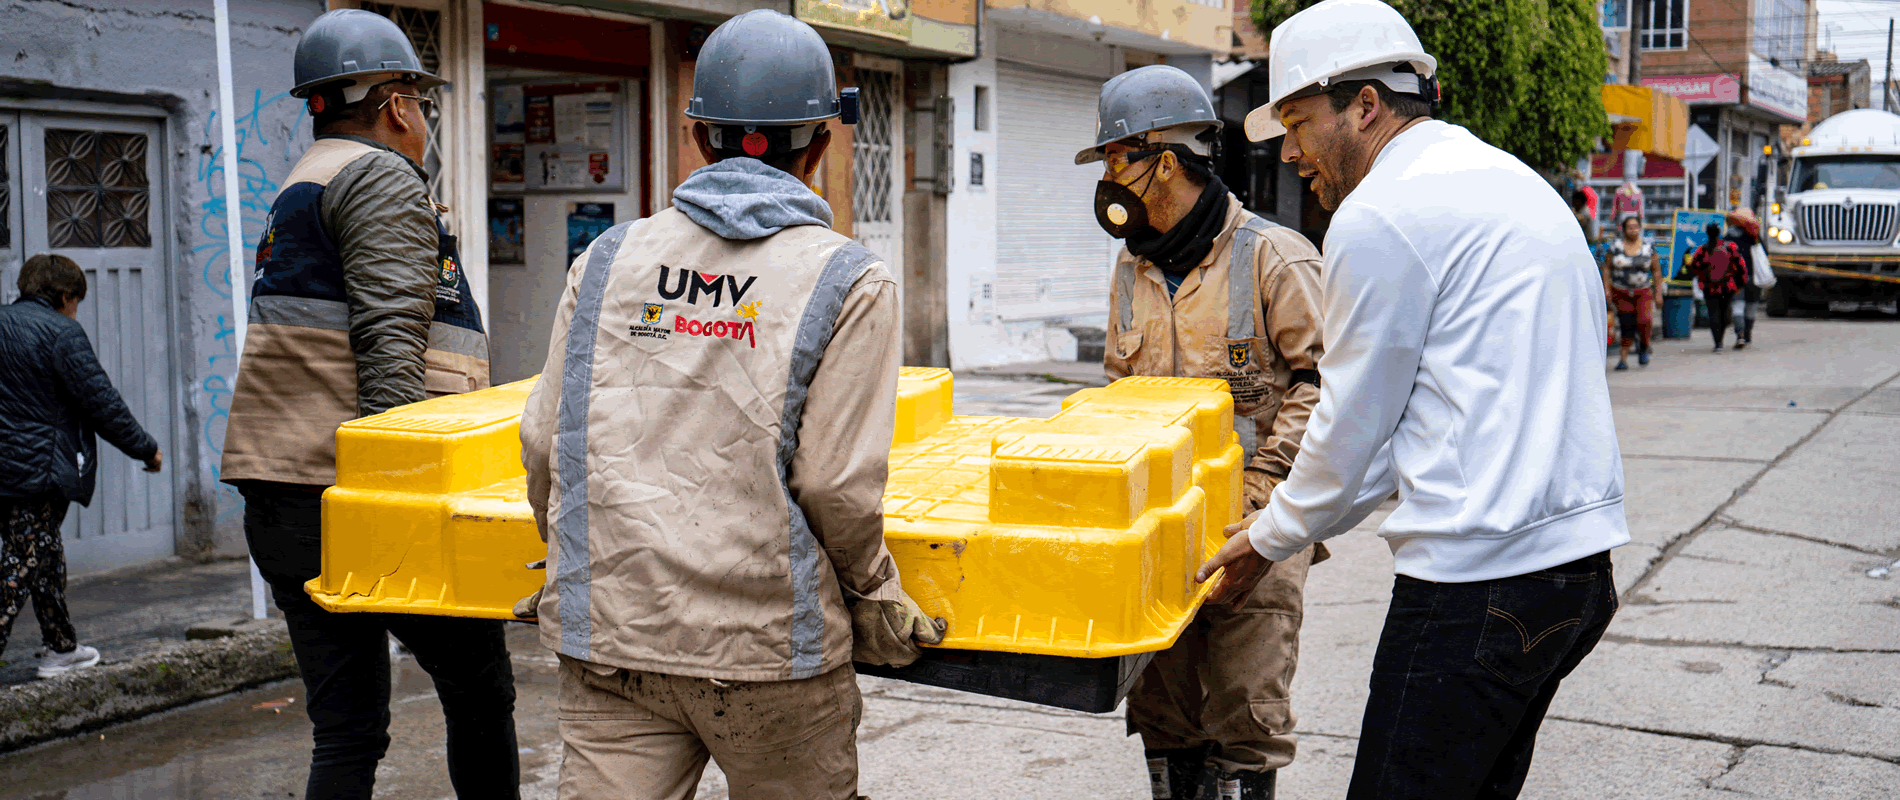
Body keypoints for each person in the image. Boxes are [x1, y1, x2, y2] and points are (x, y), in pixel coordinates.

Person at [1199, 1, 1630, 797]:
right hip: (1574, 576)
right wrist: (1295, 523)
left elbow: (1350, 423)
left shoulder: (1381, 215)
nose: (1289, 152)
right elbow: (1399, 431)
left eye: (1298, 123)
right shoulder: (1506, 181)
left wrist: (1270, 537)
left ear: (1365, 106)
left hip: (1478, 586)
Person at [517, 11, 942, 799]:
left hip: (615, 642)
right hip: (768, 655)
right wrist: (874, 592)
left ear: (698, 138)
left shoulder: (606, 259)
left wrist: (574, 570)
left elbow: (545, 442)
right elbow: (835, 485)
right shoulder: (848, 279)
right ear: (820, 145)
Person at [219, 10, 517, 799]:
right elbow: (390, 347)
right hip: (358, 495)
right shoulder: (378, 177)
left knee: (347, 729)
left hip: (284, 495)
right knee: (479, 691)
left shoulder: (305, 181)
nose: (422, 117)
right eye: (419, 100)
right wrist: (400, 502)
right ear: (394, 106)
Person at [1080, 64, 1326, 800]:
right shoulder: (1131, 269)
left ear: (1165, 160)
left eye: (1116, 159)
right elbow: (1121, 395)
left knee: (1246, 713)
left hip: (1257, 525)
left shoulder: (1275, 257)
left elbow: (1323, 386)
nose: (1108, 178)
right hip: (1160, 530)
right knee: (1163, 711)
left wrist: (1261, 496)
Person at [0, 254, 162, 679]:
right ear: (65, 296)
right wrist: (146, 449)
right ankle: (59, 648)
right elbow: (100, 402)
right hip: (38, 470)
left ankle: (62, 648)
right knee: (21, 563)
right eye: (76, 301)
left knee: (42, 554)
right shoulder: (61, 332)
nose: (76, 310)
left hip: (8, 470)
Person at [1602, 215, 1663, 370]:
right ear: (1623, 229)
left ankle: (1644, 345)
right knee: (1626, 324)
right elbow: (1607, 268)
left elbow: (1656, 271)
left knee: (1645, 320)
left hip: (1643, 292)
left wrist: (1658, 293)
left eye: (1635, 227)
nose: (1633, 230)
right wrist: (1606, 289)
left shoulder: (1648, 247)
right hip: (1621, 292)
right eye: (1629, 227)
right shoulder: (1615, 247)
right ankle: (1623, 359)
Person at [1688, 222, 1745, 353]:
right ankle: (1721, 338)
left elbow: (1694, 266)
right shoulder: (1729, 247)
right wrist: (1741, 283)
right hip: (1727, 286)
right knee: (1724, 313)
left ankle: (1718, 343)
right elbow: (1740, 265)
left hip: (1709, 287)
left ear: (1707, 233)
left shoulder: (1703, 249)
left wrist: (1702, 277)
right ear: (1719, 233)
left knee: (1713, 313)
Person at [1724, 208, 1763, 348]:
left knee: (1738, 307)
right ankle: (1747, 335)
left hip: (1736, 278)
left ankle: (1739, 335)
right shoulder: (1755, 237)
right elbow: (1764, 256)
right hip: (1754, 277)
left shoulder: (1728, 237)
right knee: (1751, 307)